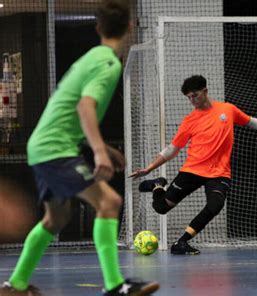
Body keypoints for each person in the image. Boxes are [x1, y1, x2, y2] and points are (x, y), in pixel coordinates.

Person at [0, 1, 160, 295]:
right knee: (109, 202)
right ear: (130, 27)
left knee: (55, 218)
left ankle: (15, 285)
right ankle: (115, 285)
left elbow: (67, 108)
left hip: (45, 144)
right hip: (55, 147)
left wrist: (96, 144)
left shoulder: (91, 58)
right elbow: (85, 106)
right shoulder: (108, 63)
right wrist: (99, 151)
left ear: (97, 28)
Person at [130, 75, 257, 255]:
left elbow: (252, 122)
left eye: (195, 95)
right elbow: (172, 149)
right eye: (189, 98)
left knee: (215, 206)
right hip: (192, 170)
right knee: (161, 208)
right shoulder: (189, 120)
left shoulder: (227, 109)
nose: (192, 100)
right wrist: (149, 168)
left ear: (205, 91)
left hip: (219, 173)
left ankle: (181, 242)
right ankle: (157, 185)